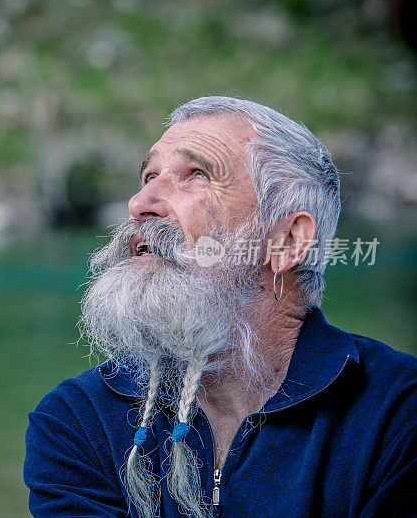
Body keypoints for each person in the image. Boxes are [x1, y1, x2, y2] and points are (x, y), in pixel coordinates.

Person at [23, 96, 417, 517]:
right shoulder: (79, 420)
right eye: (148, 175)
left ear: (287, 241)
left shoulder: (398, 412)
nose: (140, 204)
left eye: (196, 175)